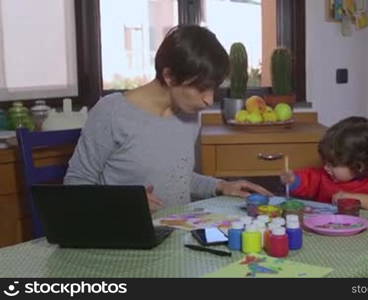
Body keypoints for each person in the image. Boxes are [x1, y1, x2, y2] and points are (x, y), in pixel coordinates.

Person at [64, 25, 272, 213]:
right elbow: (75, 185)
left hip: (175, 236)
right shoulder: (111, 113)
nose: (209, 100)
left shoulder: (190, 116)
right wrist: (126, 202)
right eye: (201, 88)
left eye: (213, 89)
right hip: (124, 239)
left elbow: (176, 178)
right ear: (170, 76)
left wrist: (220, 186)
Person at [280, 116, 368, 214]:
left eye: (332, 164)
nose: (326, 168)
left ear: (359, 166)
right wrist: (292, 179)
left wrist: (353, 199)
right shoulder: (324, 177)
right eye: (325, 162)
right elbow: (308, 179)